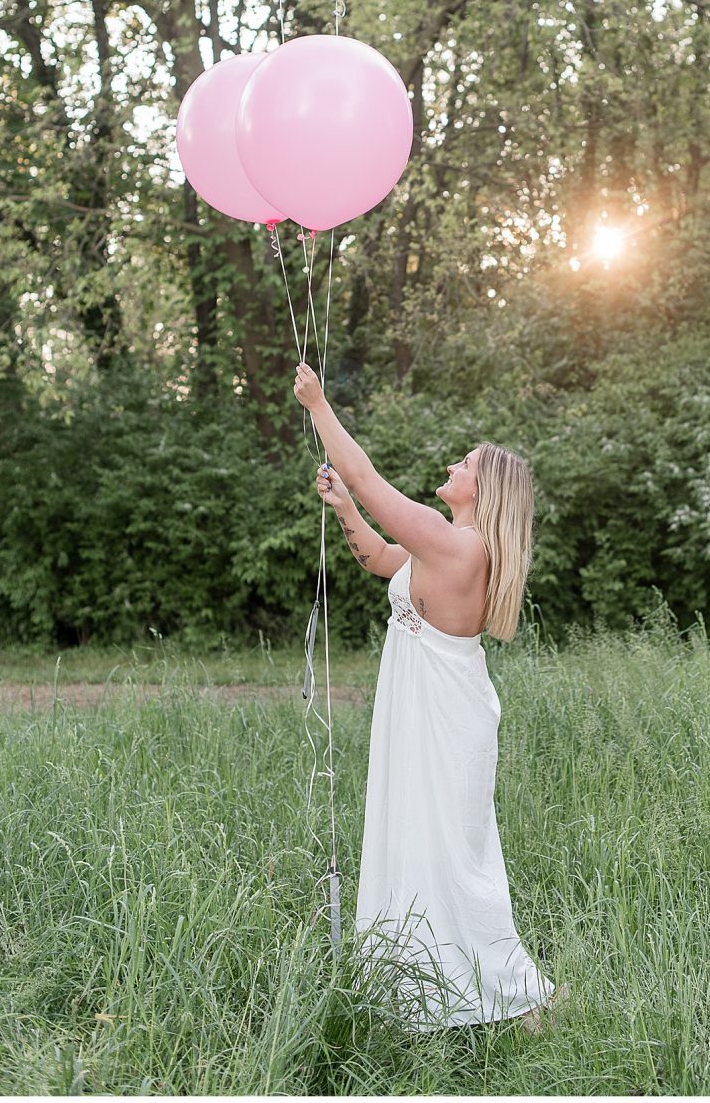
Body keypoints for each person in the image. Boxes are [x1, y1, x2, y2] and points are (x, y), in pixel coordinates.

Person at [293, 362, 566, 1032]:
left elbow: (367, 477)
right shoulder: (439, 548)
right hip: (424, 712)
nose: (452, 465)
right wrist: (345, 512)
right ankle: (417, 986)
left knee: (449, 854)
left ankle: (514, 994)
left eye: (465, 464)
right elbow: (379, 559)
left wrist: (317, 405)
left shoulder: (459, 546)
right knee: (413, 842)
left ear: (486, 488)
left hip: (446, 718)